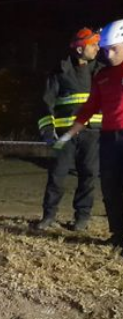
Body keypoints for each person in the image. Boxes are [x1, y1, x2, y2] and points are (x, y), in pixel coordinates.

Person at [57, 20, 123, 246]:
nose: (108, 54)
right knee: (111, 187)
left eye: (114, 48)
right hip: (108, 138)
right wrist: (73, 128)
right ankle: (118, 234)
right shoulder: (102, 75)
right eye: (106, 49)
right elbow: (91, 106)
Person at [33, 28, 102, 231]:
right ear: (80, 49)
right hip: (65, 135)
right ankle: (49, 216)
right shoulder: (59, 72)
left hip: (93, 134)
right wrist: (47, 132)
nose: (97, 48)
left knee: (89, 175)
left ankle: (82, 218)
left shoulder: (100, 71)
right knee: (57, 175)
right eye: (93, 45)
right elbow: (45, 104)